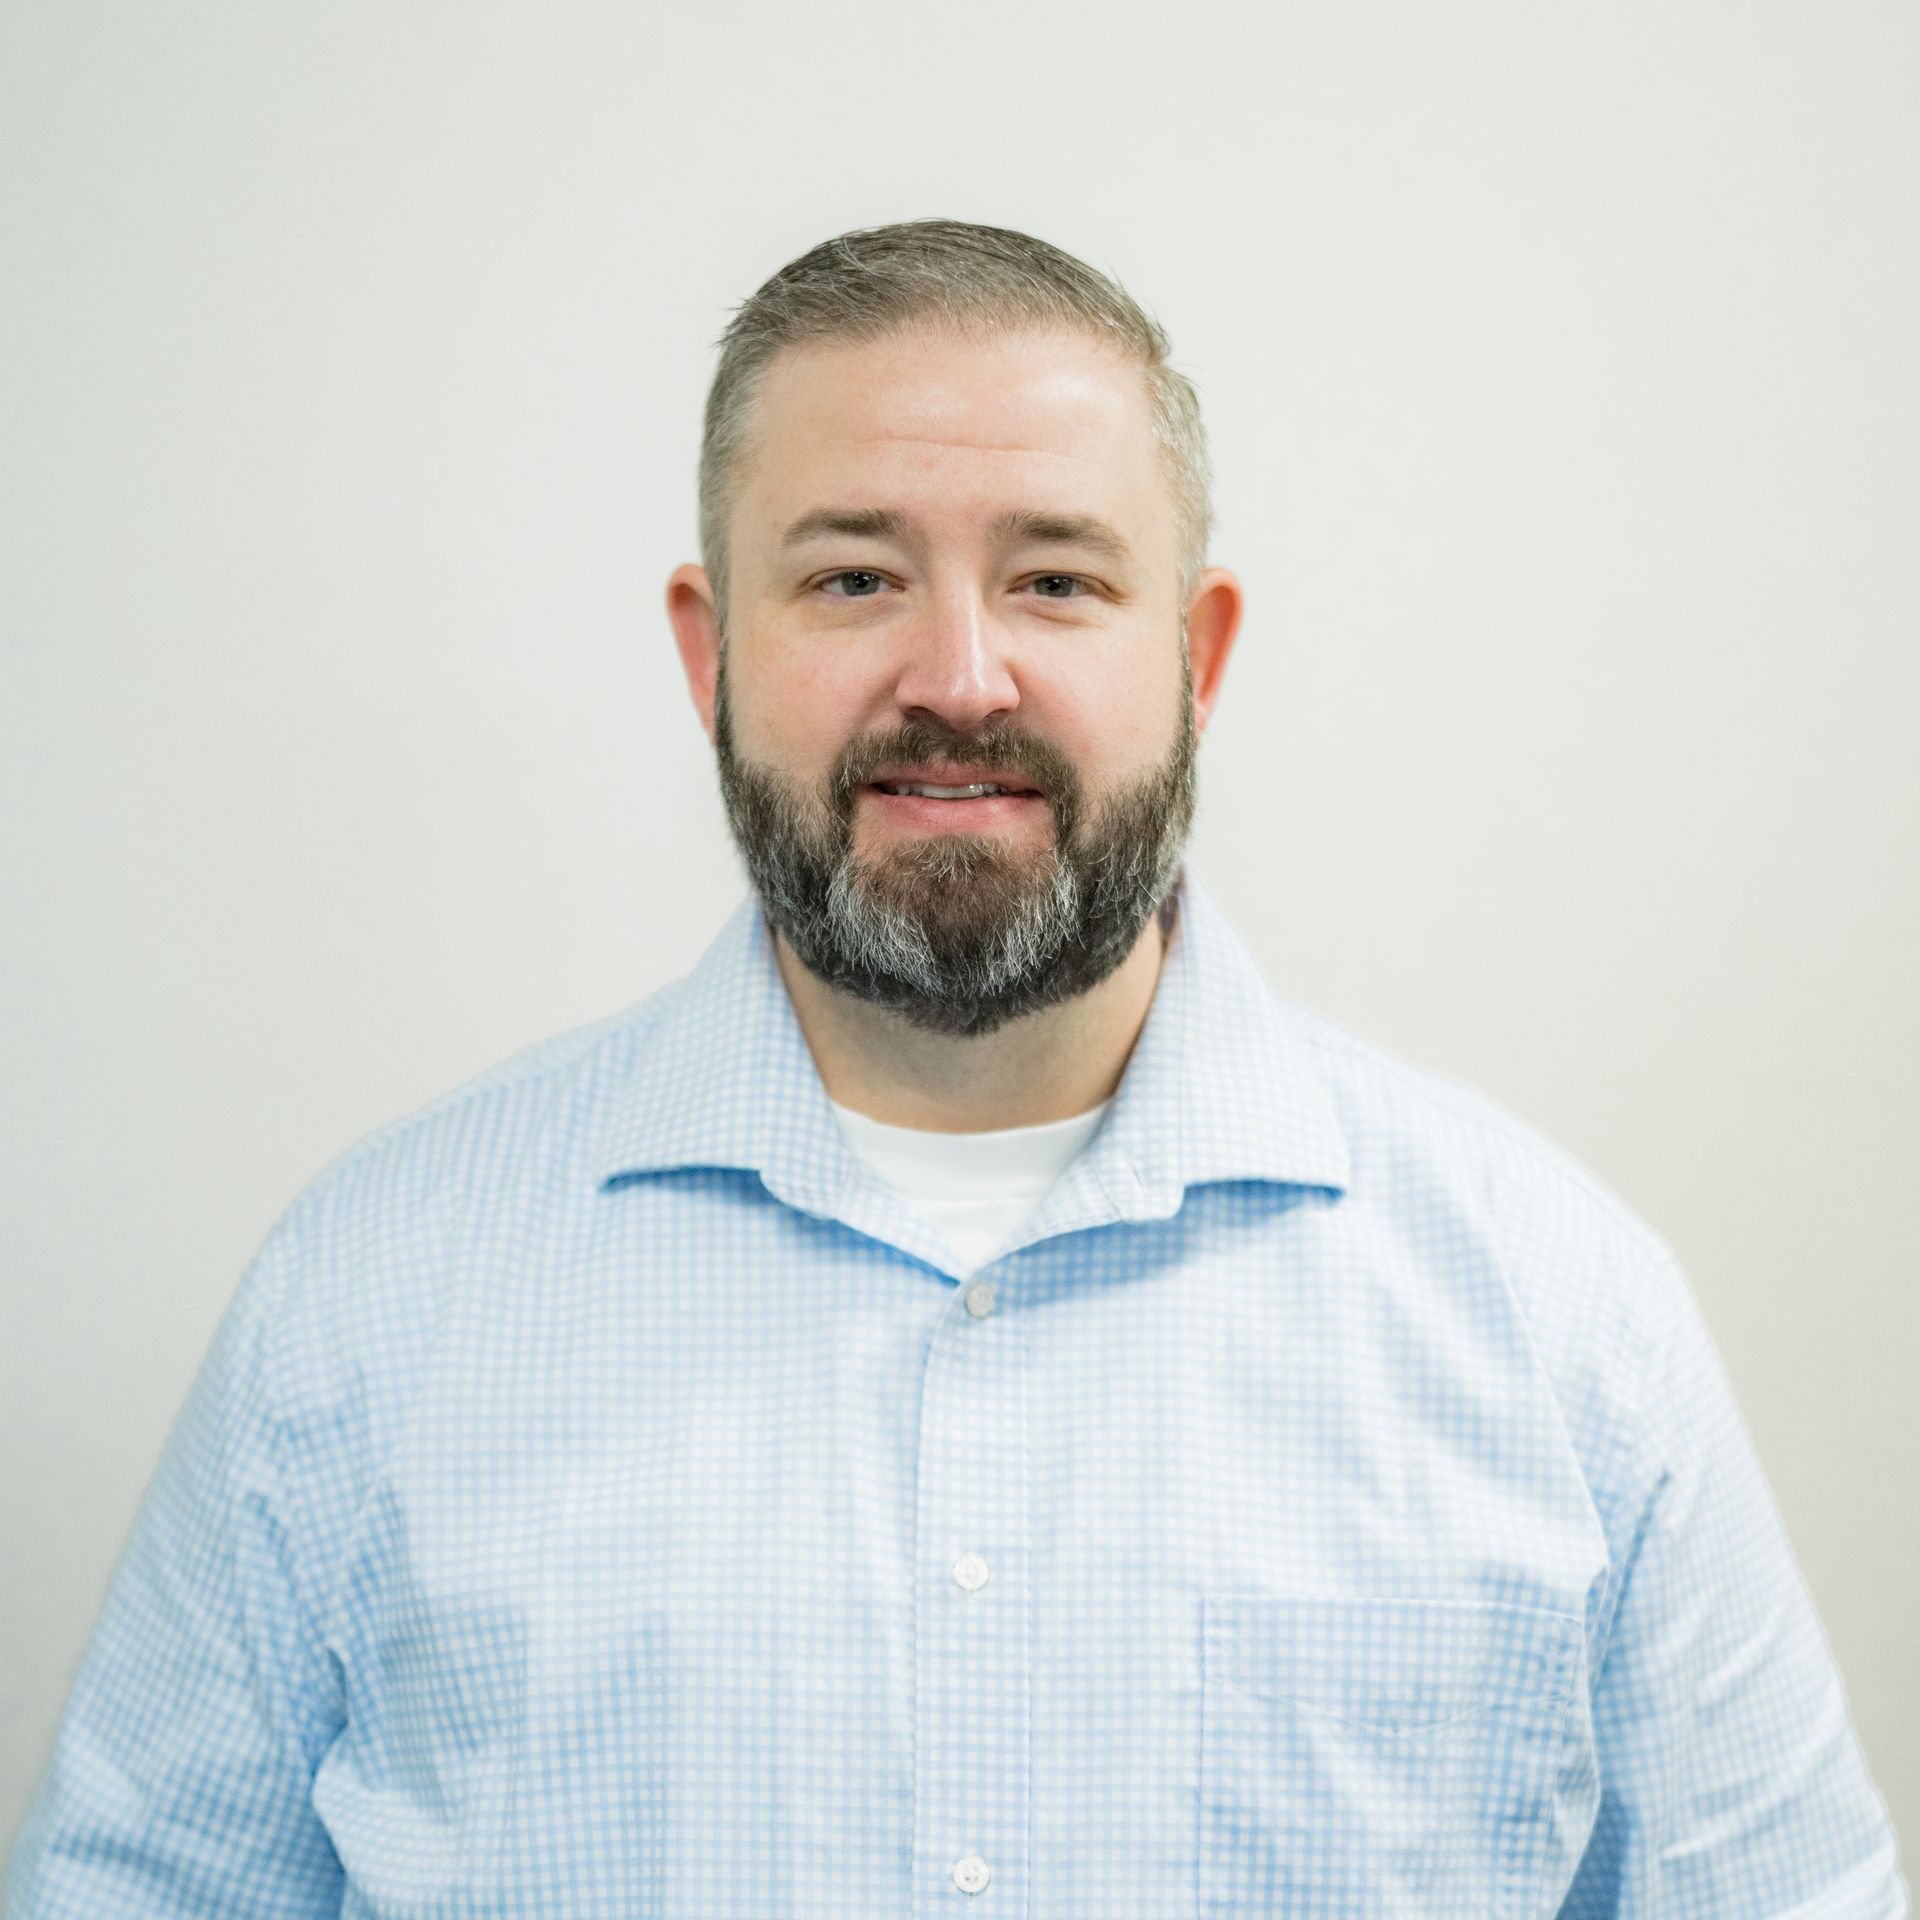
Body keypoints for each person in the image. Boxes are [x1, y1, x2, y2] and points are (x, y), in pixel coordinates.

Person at [6, 218, 1906, 1919]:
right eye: (851, 580)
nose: (961, 674)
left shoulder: (1564, 1323)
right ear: (710, 653)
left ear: (1199, 654)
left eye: (1060, 581)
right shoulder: (366, 1303)